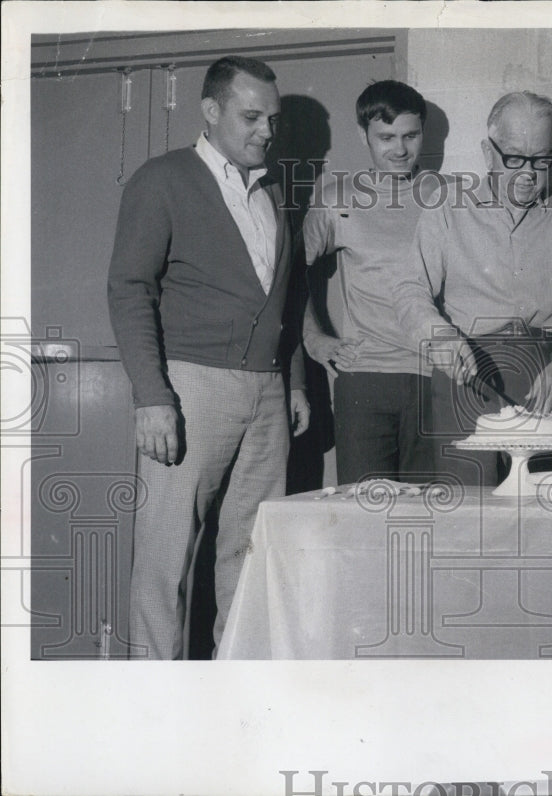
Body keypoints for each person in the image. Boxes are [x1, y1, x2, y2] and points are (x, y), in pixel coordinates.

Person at [107, 56, 310, 659]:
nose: (266, 133)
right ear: (211, 111)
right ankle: (155, 706)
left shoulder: (273, 192)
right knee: (166, 557)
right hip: (190, 388)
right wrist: (152, 397)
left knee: (250, 553)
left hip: (268, 393)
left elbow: (283, 300)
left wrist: (294, 381)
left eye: (271, 119)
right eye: (252, 117)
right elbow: (128, 290)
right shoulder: (162, 179)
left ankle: (236, 700)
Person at [392, 91, 552, 487]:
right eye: (514, 158)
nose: (528, 173)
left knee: (546, 517)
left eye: (542, 160)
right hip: (468, 375)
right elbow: (409, 289)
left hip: (549, 373)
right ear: (488, 153)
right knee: (470, 516)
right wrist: (440, 338)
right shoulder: (448, 205)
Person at [301, 80, 436, 485]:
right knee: (362, 517)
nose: (399, 149)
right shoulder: (337, 199)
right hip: (365, 380)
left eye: (410, 136)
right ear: (364, 136)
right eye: (386, 137)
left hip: (437, 378)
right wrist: (314, 338)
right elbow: (287, 276)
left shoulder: (450, 197)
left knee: (429, 515)